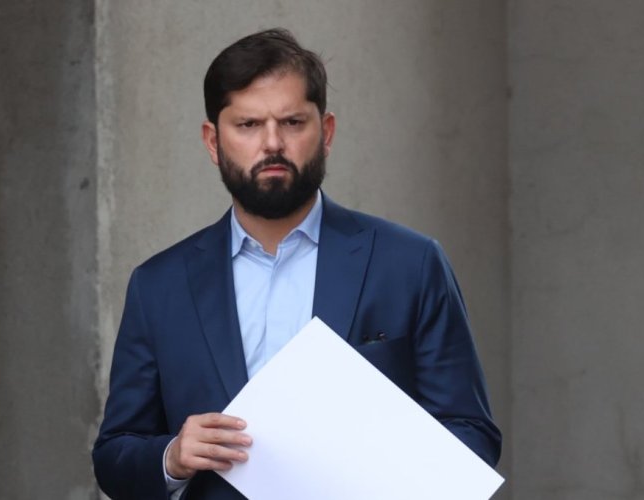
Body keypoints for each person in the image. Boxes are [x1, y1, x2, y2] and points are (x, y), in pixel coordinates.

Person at [93, 28, 501, 500]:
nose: (272, 143)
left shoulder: (410, 264)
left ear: (325, 132)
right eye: (248, 125)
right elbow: (114, 455)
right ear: (213, 141)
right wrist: (172, 457)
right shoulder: (158, 287)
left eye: (291, 122)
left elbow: (472, 433)